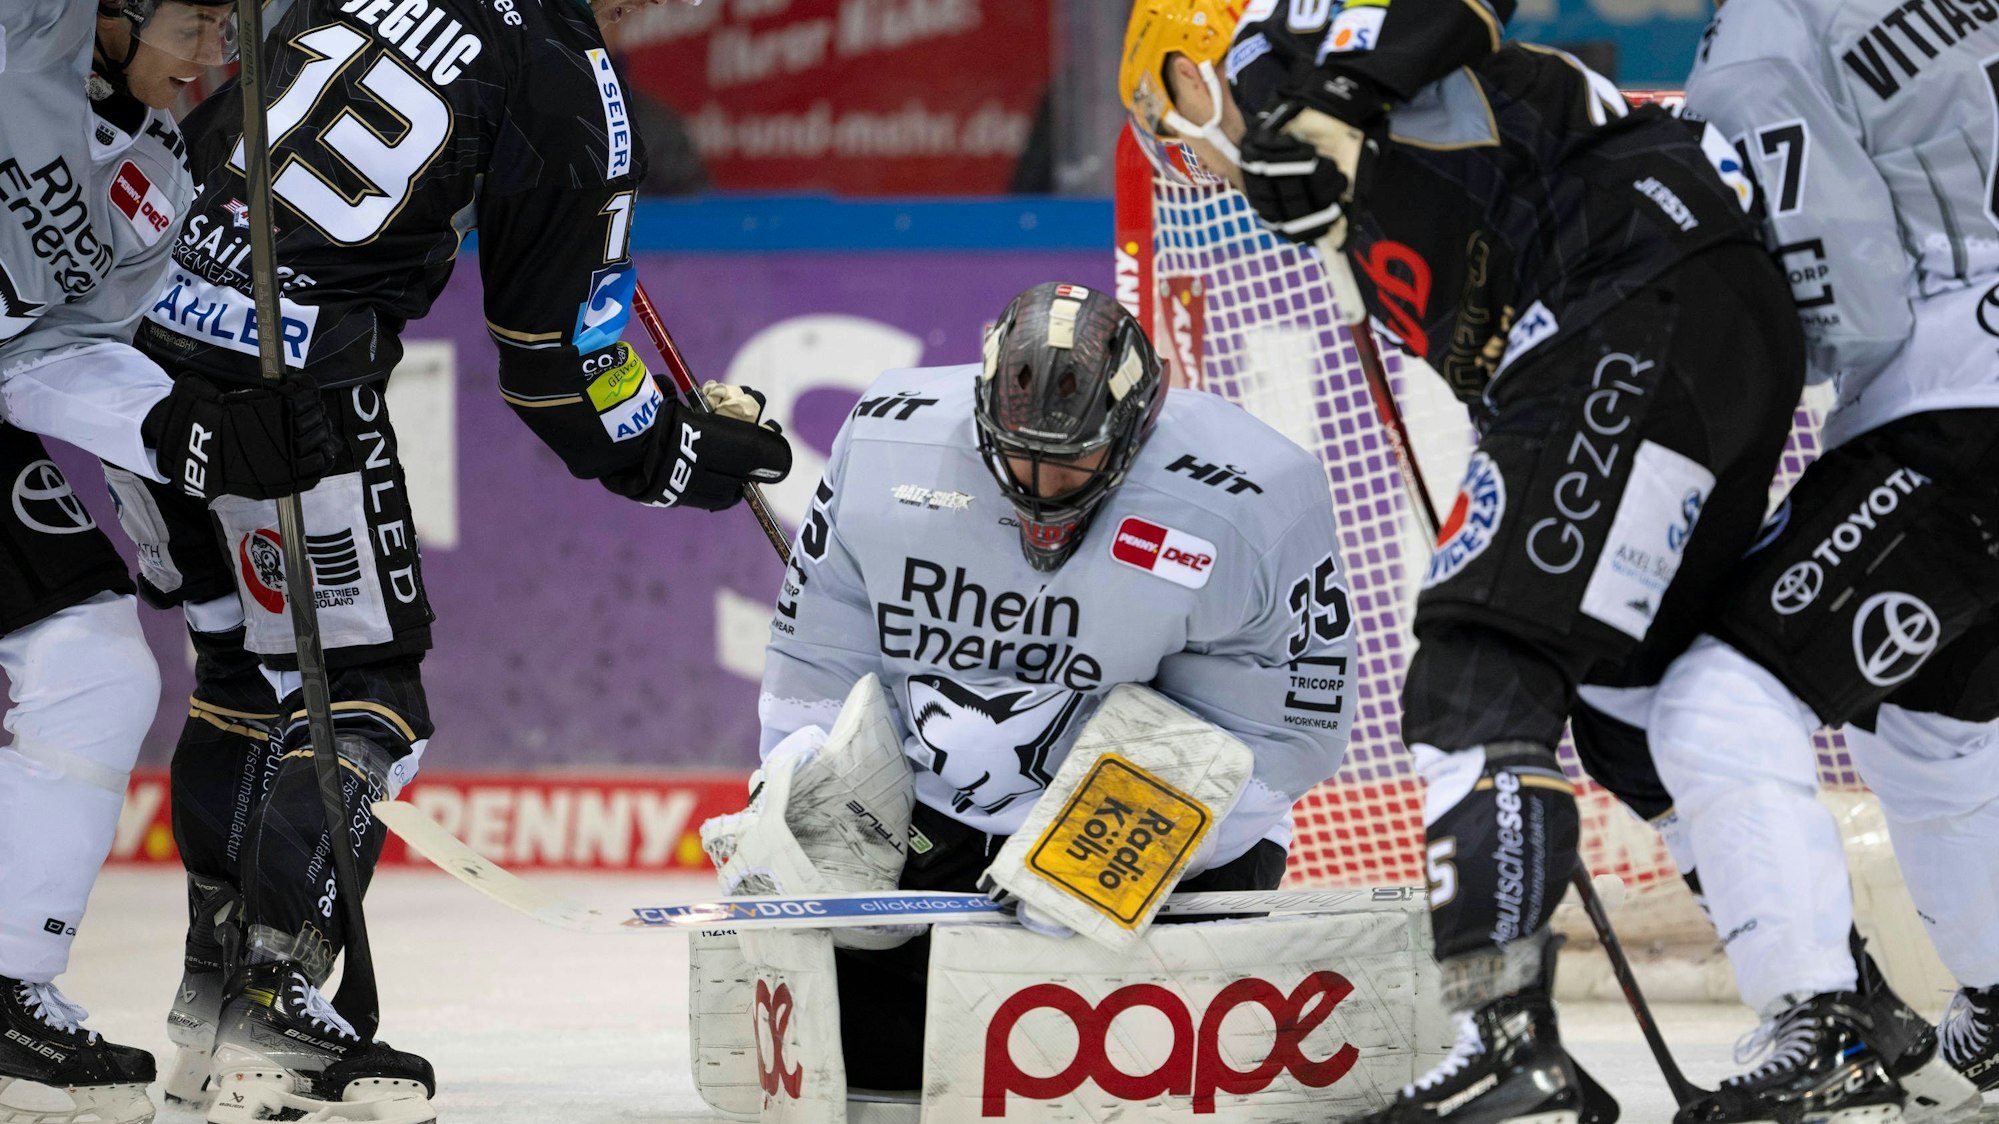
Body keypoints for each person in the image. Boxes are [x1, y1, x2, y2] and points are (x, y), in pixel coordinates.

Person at [93, 0, 792, 1118]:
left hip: (136, 365)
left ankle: (211, 995)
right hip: (288, 390)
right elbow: (558, 370)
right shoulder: (564, 74)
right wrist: (679, 449)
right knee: (364, 698)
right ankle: (271, 1009)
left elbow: (197, 129)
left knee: (235, 678)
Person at [1119, 1, 1814, 1119]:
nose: (1180, 148)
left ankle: (1502, 1042)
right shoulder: (1337, 203)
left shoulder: (1283, 49)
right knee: (1637, 704)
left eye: (1172, 107)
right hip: (1692, 314)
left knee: (1474, 670)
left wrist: (1329, 99)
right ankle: (1831, 1008)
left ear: (1205, 62)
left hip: (1635, 287)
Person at [723, 280, 1357, 1092]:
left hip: (1166, 834)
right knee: (877, 1074)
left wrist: (1104, 861)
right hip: (936, 820)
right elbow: (821, 642)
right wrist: (799, 789)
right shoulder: (888, 439)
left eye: (1073, 462)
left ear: (1133, 430)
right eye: (1017, 455)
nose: (1039, 485)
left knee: (1111, 1087)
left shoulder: (1251, 496)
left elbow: (1284, 731)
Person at [1638, 0, 1999, 1117]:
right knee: (1934, 737)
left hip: (1961, 399)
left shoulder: (1761, 29)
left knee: (1715, 701)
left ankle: (1820, 1026)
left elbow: (1851, 299)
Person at [0, 3, 249, 1122]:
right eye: (196, 21)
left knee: (101, 670)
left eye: (228, 30)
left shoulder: (157, 179)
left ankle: (6, 987)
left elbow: (56, 352)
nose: (213, 55)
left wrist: (180, 429)